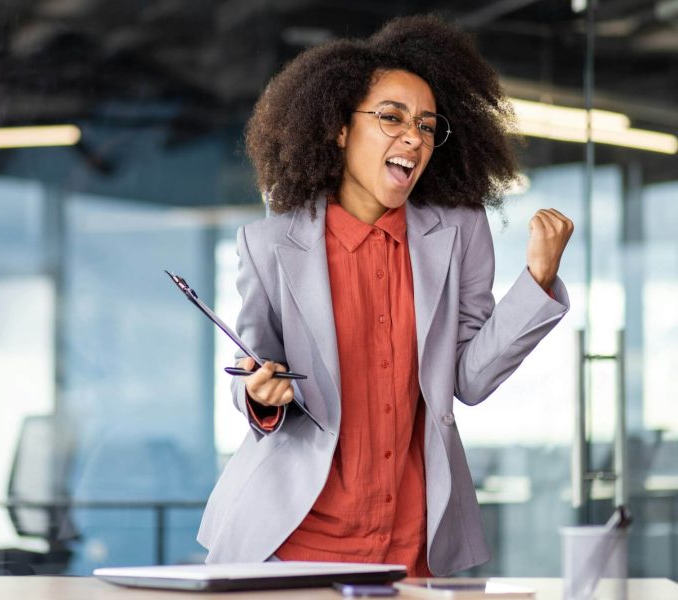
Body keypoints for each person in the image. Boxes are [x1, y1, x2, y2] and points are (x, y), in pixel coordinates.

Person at [197, 15, 574, 576]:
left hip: (411, 539)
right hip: (292, 537)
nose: (413, 137)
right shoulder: (270, 244)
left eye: (426, 125)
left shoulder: (460, 232)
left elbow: (468, 380)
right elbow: (249, 368)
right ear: (339, 130)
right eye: (391, 117)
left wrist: (537, 283)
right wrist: (259, 395)